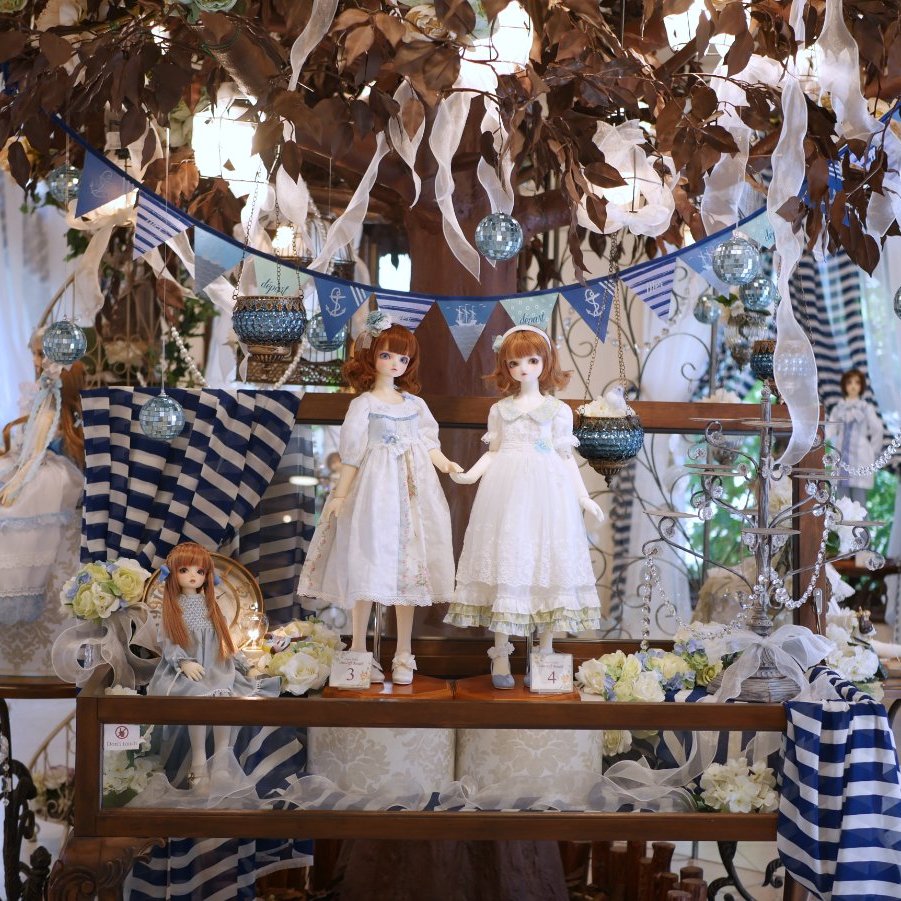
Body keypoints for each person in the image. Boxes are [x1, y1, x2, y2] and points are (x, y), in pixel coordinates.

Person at [297, 312, 460, 685]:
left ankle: (403, 652)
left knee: (409, 571)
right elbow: (352, 455)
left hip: (414, 494)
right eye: (387, 355)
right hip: (375, 493)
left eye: (402, 357)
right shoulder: (364, 404)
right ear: (371, 356)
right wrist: (340, 495)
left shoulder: (415, 405)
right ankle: (358, 648)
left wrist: (446, 464)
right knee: (367, 565)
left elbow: (428, 443)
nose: (395, 363)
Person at [444, 325, 604, 689]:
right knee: (509, 560)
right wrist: (470, 475)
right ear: (506, 367)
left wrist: (583, 497)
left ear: (546, 362)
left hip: (550, 493)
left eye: (532, 360)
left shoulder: (559, 411)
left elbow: (565, 457)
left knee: (548, 565)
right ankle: (500, 652)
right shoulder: (499, 410)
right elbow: (494, 451)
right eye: (514, 363)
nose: (523, 369)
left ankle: (545, 653)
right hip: (506, 492)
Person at [147, 542, 278, 784]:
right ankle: (198, 761)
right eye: (184, 570)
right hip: (188, 671)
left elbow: (225, 642)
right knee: (197, 699)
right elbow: (168, 642)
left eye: (200, 571)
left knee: (223, 698)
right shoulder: (173, 608)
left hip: (216, 667)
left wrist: (243, 664)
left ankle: (221, 759)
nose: (193, 576)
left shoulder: (212, 606)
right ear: (173, 573)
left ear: (207, 575)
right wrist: (183, 662)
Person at [0, 361, 85, 626]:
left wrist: (18, 479)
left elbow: (36, 454)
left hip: (45, 470)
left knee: (24, 503)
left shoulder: (52, 414)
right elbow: (32, 452)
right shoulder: (51, 413)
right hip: (39, 466)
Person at [828, 369, 884, 505]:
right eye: (849, 382)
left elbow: (878, 429)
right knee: (841, 503)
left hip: (860, 458)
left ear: (861, 386)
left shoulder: (865, 408)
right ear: (844, 385)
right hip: (840, 457)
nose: (853, 386)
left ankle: (861, 522)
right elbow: (830, 431)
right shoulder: (838, 409)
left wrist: (872, 451)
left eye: (857, 382)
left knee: (860, 502)